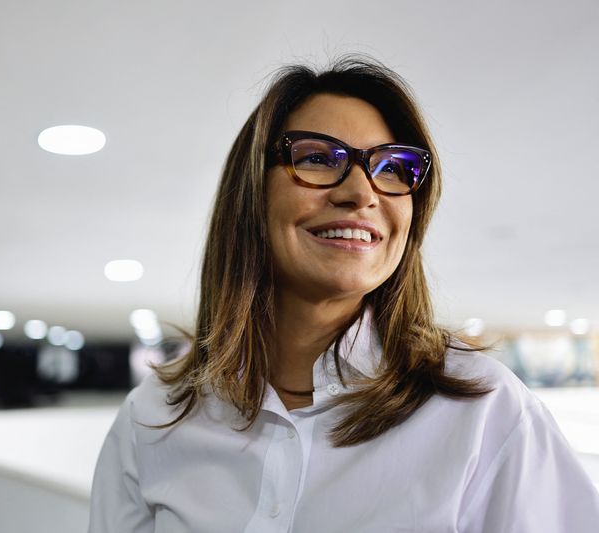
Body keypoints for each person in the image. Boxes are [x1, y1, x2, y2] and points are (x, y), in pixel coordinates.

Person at [88, 57, 599, 532]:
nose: (362, 191)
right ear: (250, 194)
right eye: (316, 158)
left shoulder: (485, 410)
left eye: (394, 168)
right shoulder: (153, 416)